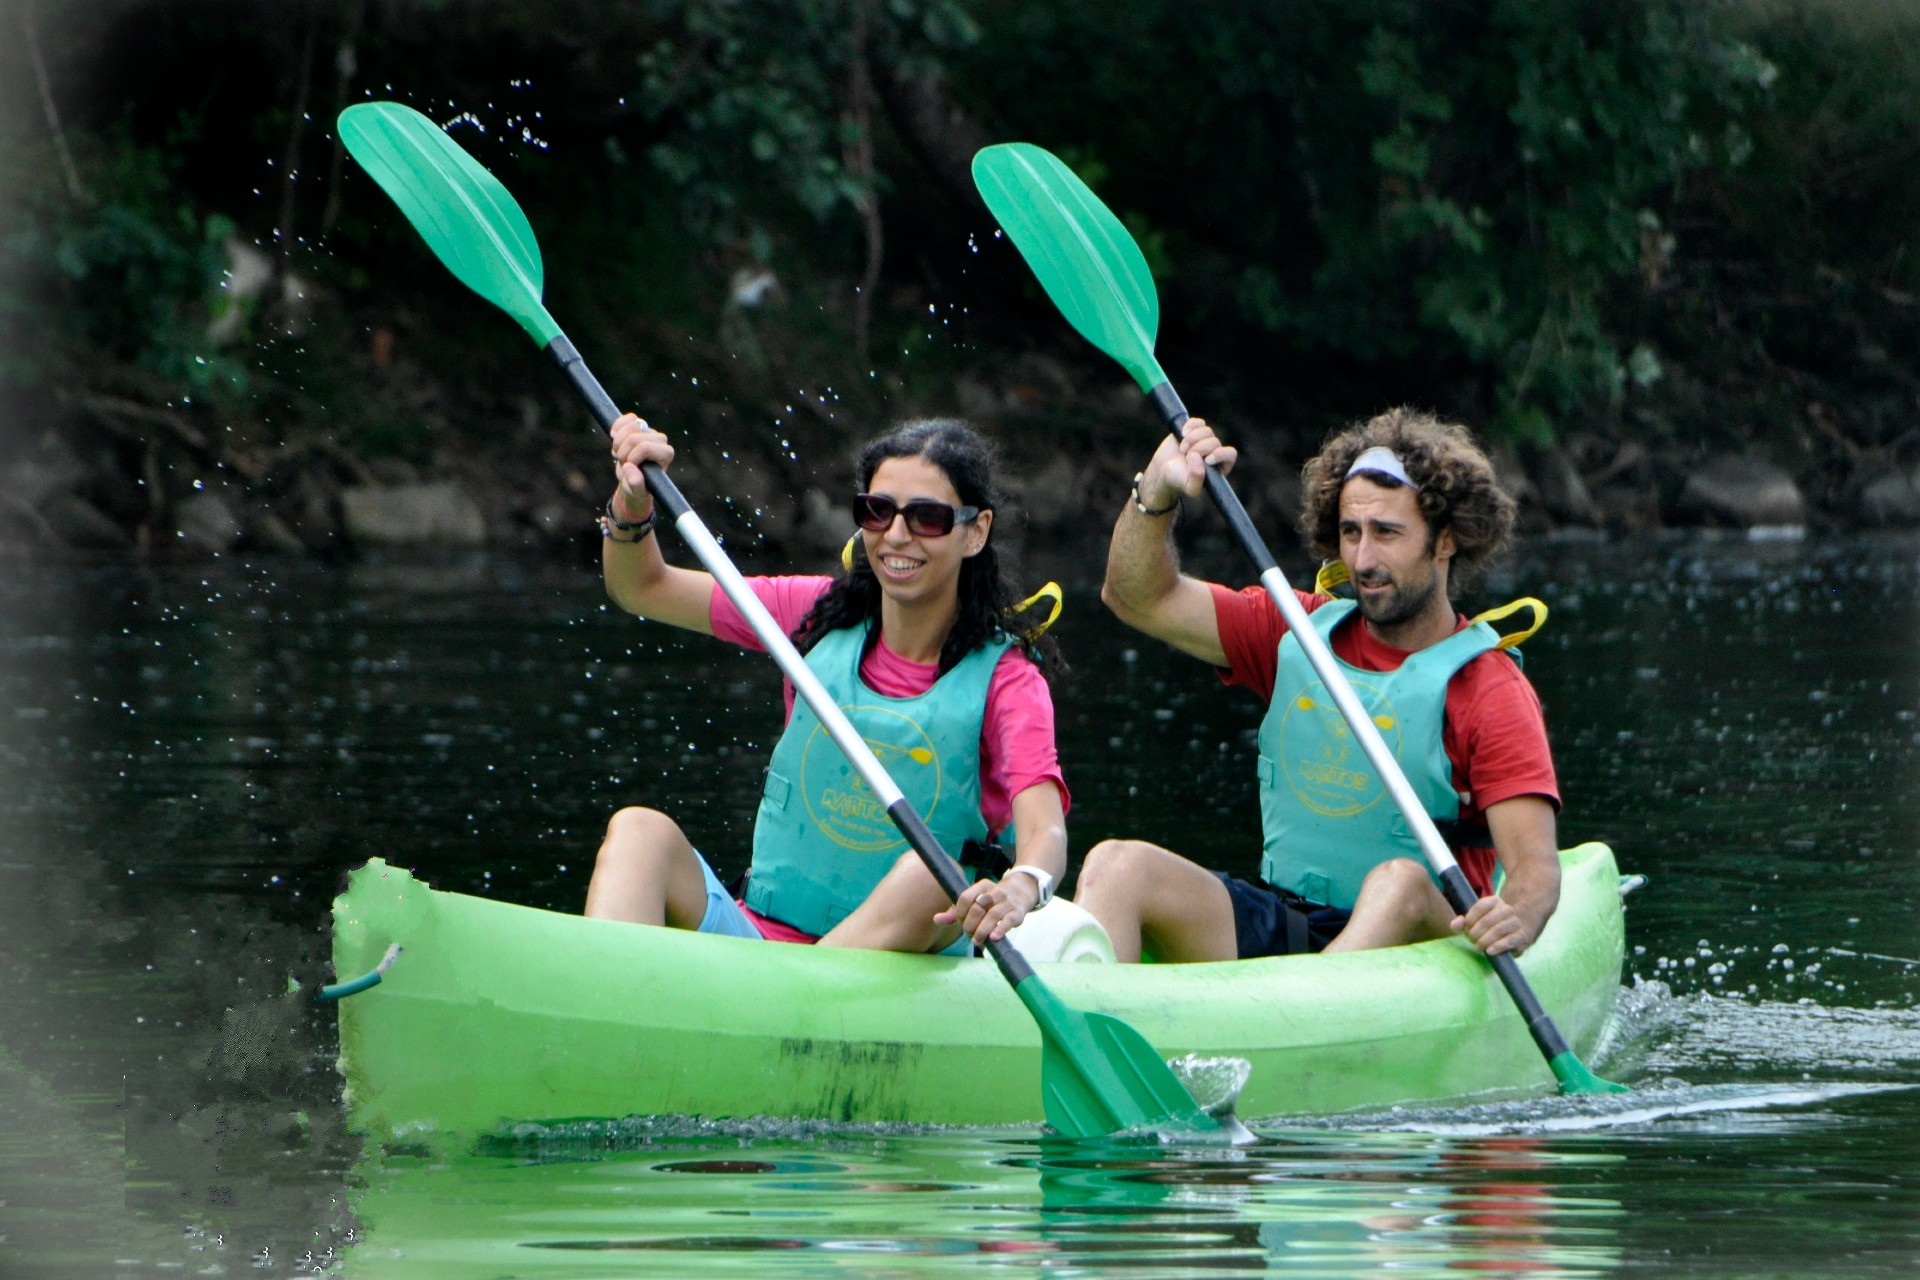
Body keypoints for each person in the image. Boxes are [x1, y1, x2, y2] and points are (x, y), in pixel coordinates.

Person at [1075, 407, 1561, 964]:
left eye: (1387, 533)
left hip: (1425, 938)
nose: (1363, 559)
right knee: (1118, 864)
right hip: (1287, 915)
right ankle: (1095, 1031)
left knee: (1397, 882)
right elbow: (1136, 596)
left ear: (1445, 541)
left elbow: (1534, 868)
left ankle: (1298, 1016)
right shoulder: (1295, 629)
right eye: (1351, 532)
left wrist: (1515, 916)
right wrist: (1157, 490)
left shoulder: (1488, 687)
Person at [583, 412, 1069, 956]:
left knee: (932, 873)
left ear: (976, 532)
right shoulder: (816, 615)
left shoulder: (1008, 681)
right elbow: (643, 587)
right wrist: (631, 508)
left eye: (927, 518)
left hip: (910, 972)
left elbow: (1044, 831)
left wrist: (1023, 885)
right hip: (762, 943)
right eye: (878, 512)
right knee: (638, 832)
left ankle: (776, 1013)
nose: (897, 535)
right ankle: (610, 999)